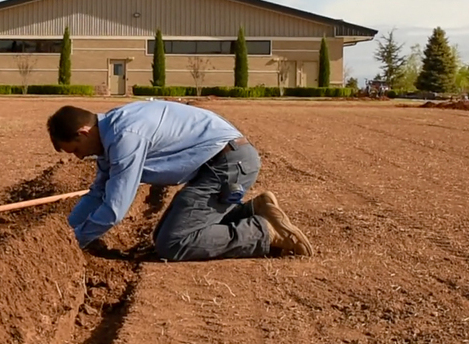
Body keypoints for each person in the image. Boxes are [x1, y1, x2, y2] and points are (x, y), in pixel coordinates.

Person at [46, 101, 314, 261]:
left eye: (75, 150)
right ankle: (253, 209)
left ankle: (264, 232)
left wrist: (75, 241)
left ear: (83, 131)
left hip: (228, 164)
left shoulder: (125, 137)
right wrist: (64, 234)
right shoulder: (110, 133)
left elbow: (114, 210)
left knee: (174, 243)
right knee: (164, 236)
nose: (80, 157)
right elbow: (97, 194)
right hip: (217, 164)